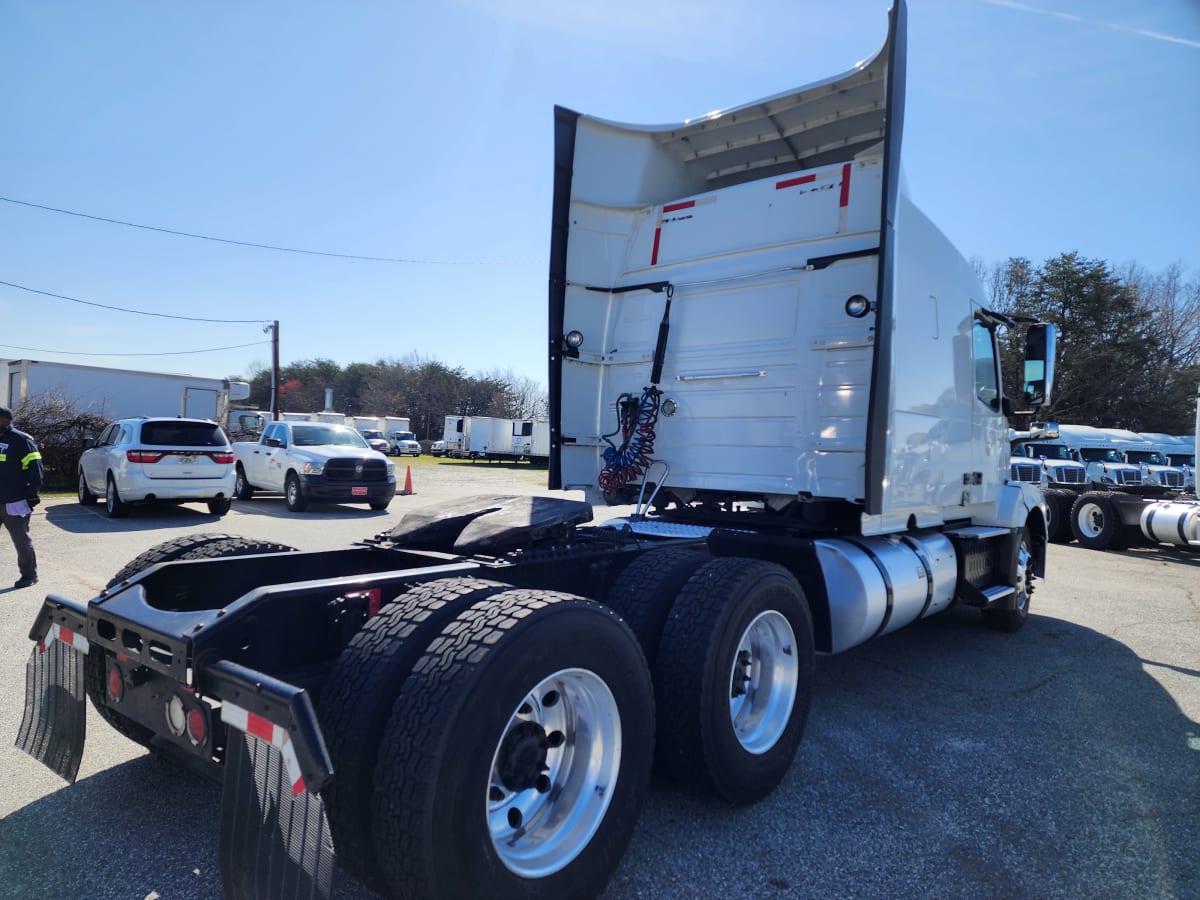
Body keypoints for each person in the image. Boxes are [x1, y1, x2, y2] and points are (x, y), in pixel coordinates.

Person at [0, 405, 42, 589]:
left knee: (21, 540)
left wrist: (31, 494)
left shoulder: (21, 440)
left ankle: (29, 575)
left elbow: (36, 470)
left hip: (14, 500)